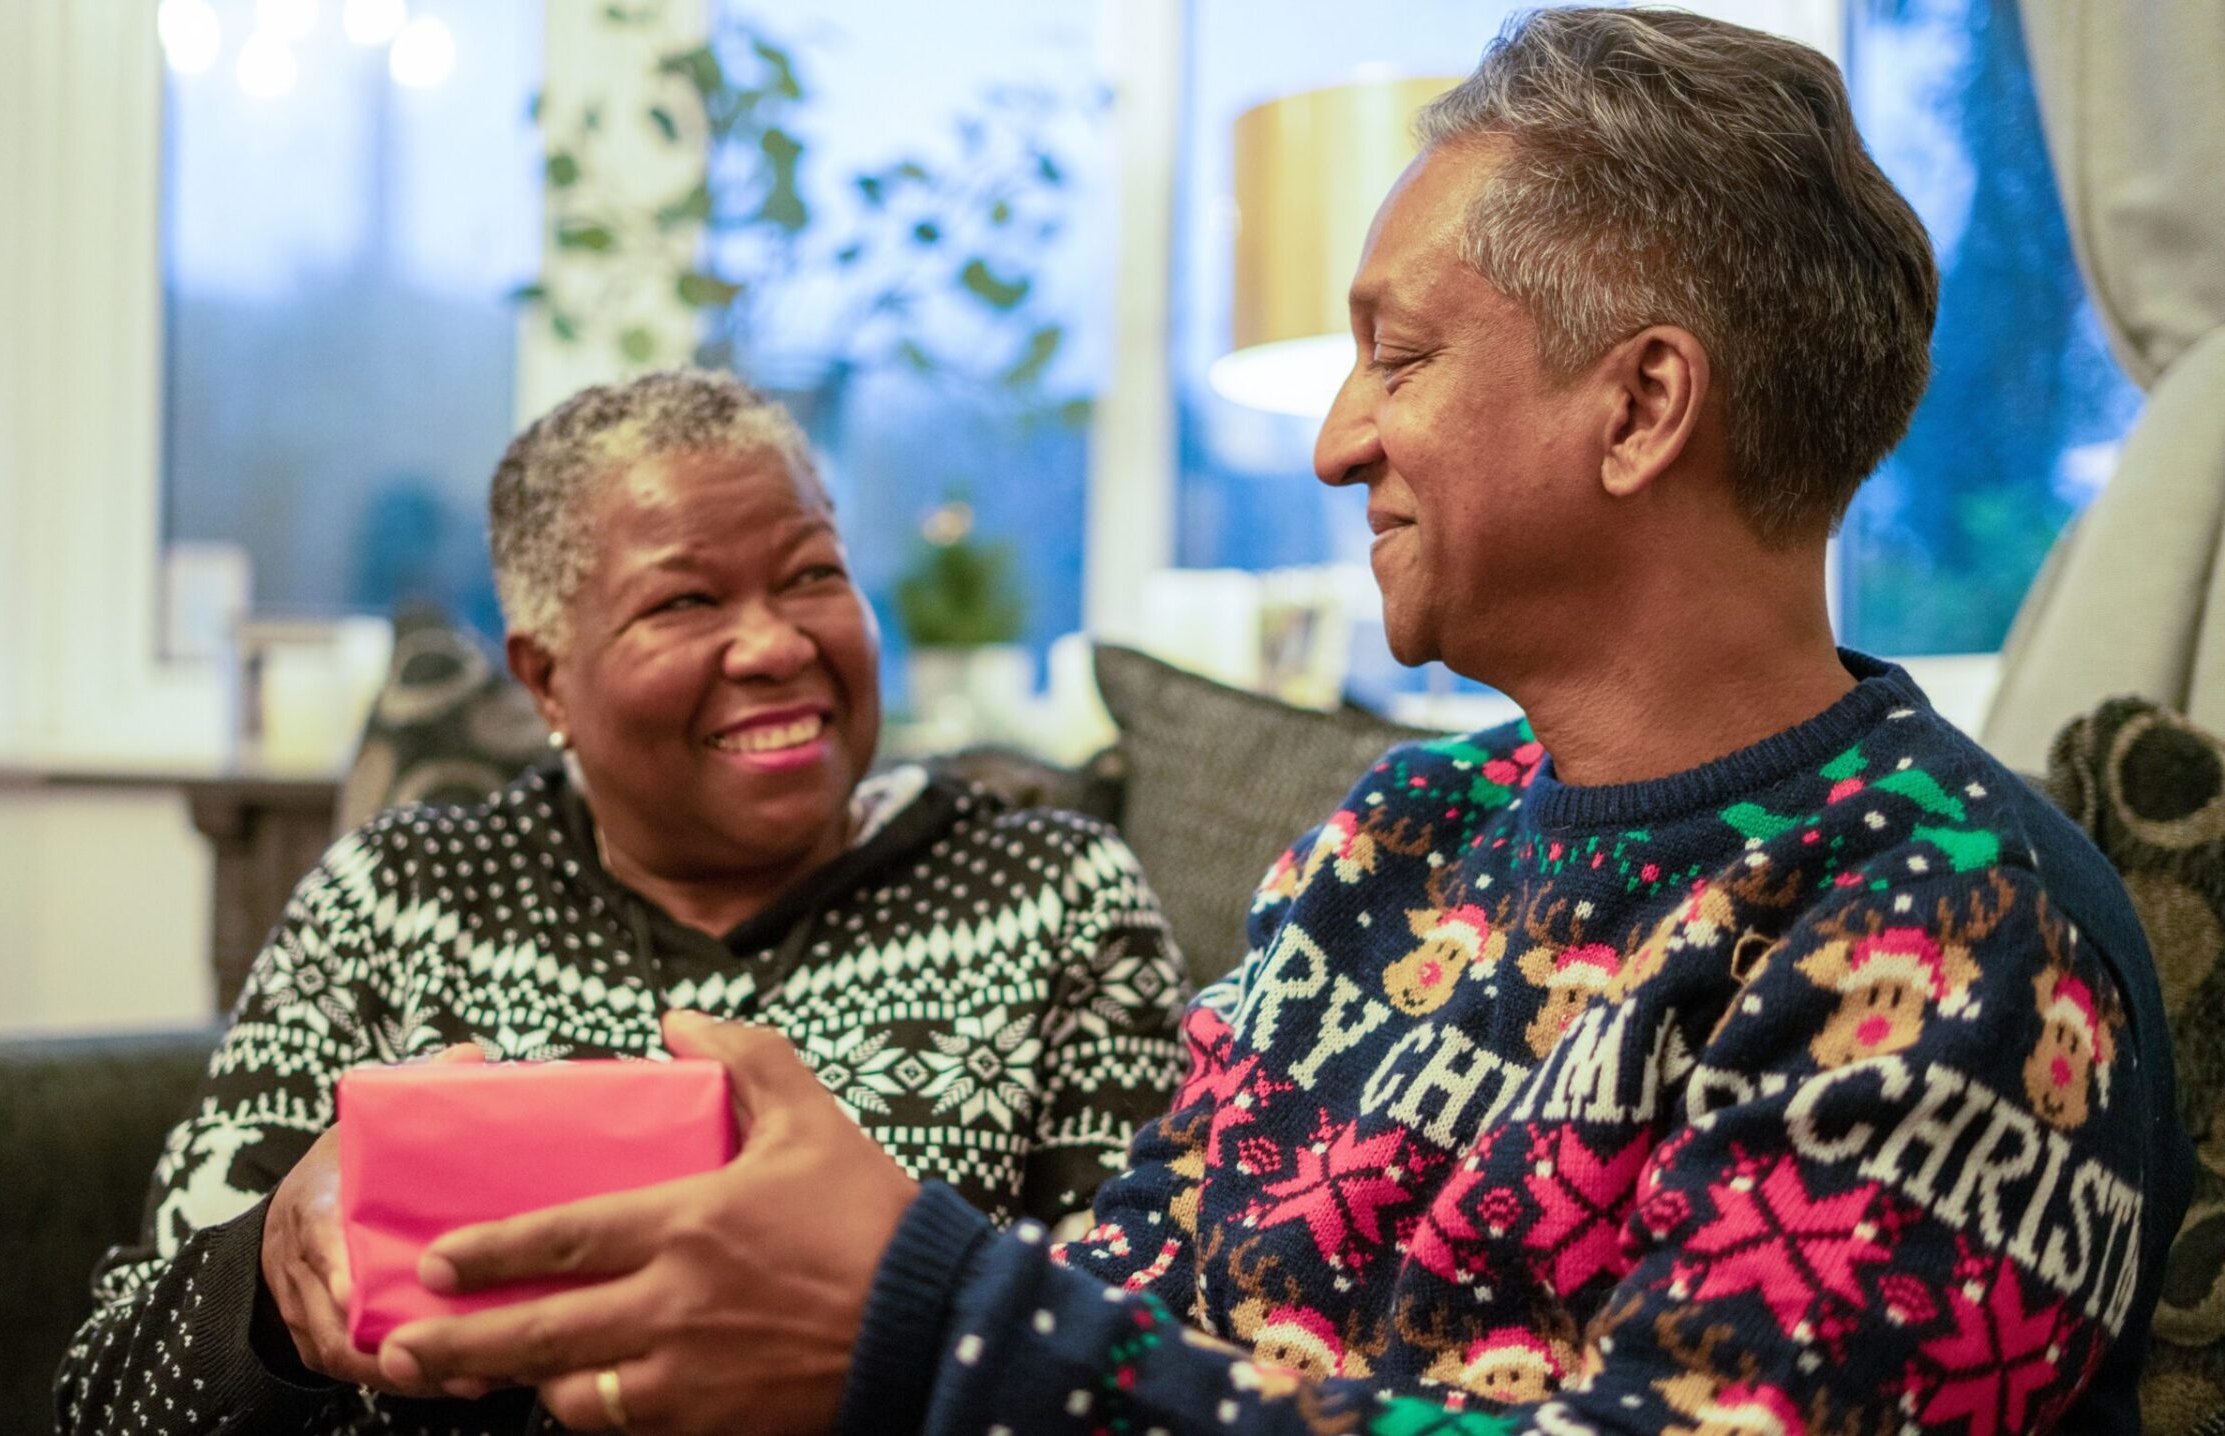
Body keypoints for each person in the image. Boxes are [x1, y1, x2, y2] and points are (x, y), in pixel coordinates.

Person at [362, 10, 2193, 1436]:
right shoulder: (1394, 842)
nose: (1335, 441)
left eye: (1401, 357)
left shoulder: (1956, 935)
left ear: (1641, 408)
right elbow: (1131, 1297)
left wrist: (927, 1320)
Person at [53, 370, 1186, 1435]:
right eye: (686, 600)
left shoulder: (1052, 894)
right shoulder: (396, 900)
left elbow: (1143, 1362)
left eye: (812, 575)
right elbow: (106, 1395)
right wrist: (268, 1274)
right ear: (546, 676)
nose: (776, 643)